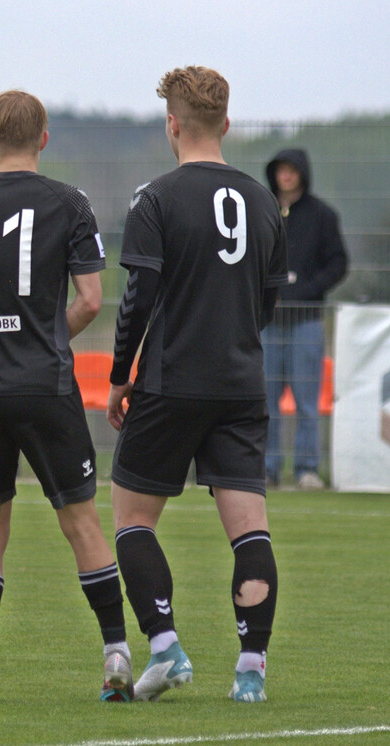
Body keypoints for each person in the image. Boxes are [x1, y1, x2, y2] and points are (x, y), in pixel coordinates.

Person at [0, 90, 132, 704]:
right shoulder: (69, 202)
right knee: (80, 521)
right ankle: (116, 655)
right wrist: (43, 336)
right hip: (45, 383)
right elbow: (91, 300)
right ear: (45, 139)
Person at [106, 67, 287, 704]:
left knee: (131, 520)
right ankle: (251, 672)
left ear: (173, 125)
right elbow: (267, 302)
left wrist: (118, 376)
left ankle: (165, 647)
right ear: (228, 125)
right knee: (249, 529)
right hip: (240, 384)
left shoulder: (155, 198)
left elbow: (138, 298)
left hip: (169, 380)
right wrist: (233, 342)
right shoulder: (264, 202)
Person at [262, 148, 347, 490]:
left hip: (307, 321)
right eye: (281, 170)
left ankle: (306, 469)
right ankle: (266, 470)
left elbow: (338, 263)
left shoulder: (323, 215)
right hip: (267, 322)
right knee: (264, 402)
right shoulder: (261, 211)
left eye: (292, 170)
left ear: (302, 173)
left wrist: (306, 291)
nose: (286, 176)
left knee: (307, 401)